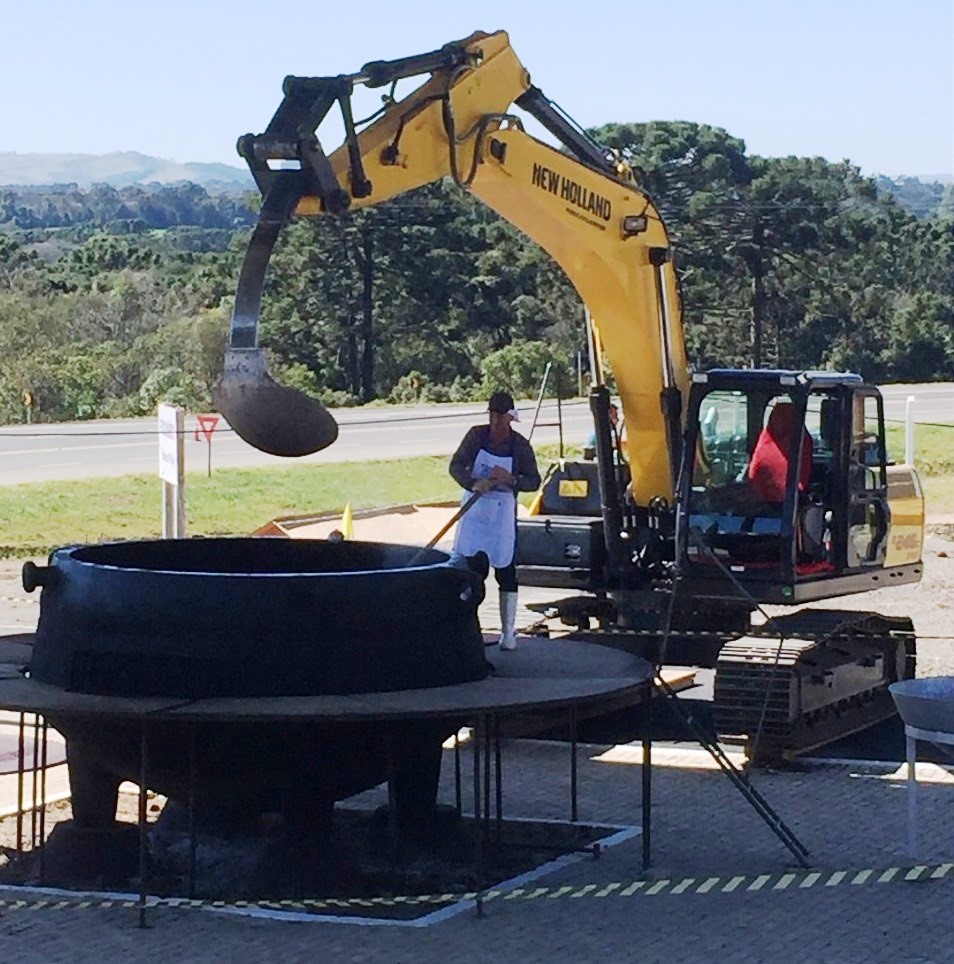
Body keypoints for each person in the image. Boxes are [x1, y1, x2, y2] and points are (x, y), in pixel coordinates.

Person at [449, 391, 541, 650]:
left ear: (510, 418)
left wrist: (511, 480)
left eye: (501, 417)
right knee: (469, 569)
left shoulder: (520, 446)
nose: (496, 423)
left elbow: (534, 481)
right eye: (492, 416)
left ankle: (508, 633)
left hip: (502, 513)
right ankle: (468, 629)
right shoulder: (475, 436)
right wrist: (472, 482)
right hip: (475, 509)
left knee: (506, 570)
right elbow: (455, 465)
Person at [747, 402, 812, 504]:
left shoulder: (765, 442)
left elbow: (753, 476)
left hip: (760, 505)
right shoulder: (802, 441)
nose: (778, 422)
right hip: (788, 505)